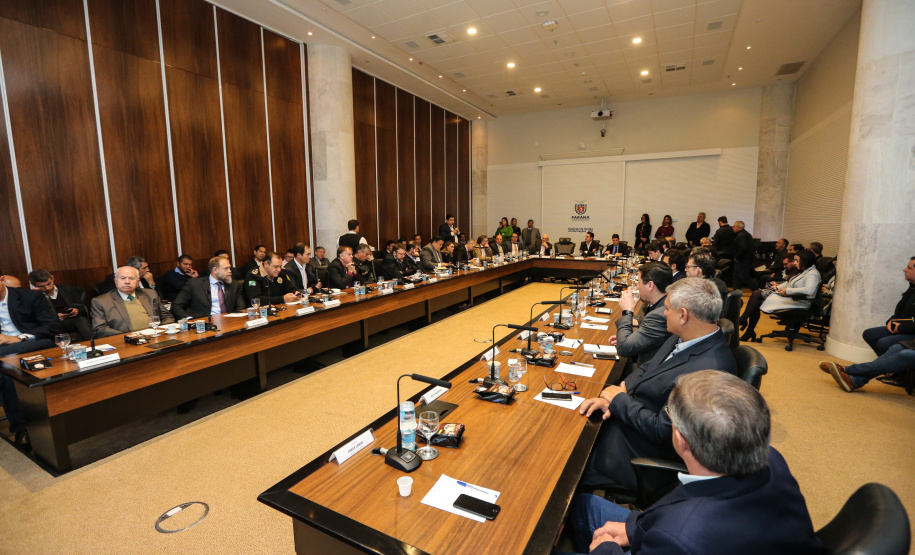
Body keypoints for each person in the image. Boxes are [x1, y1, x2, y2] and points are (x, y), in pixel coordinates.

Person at [565, 371, 826, 555]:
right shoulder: (772, 458)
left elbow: (677, 531)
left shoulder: (679, 536)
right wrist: (632, 529)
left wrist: (606, 550)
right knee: (583, 505)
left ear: (681, 439)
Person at [579, 278, 736, 493]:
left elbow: (664, 430)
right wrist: (613, 395)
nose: (663, 313)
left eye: (667, 309)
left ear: (683, 315)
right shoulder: (686, 336)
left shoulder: (709, 371)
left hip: (639, 451)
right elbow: (648, 368)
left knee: (563, 462)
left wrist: (619, 400)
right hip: (630, 418)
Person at [0, 273, 61, 451]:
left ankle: (21, 428)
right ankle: (21, 428)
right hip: (6, 354)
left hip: (35, 343)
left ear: (2, 280)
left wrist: (16, 338)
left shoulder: (31, 297)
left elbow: (52, 327)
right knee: (6, 374)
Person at [738, 250, 820, 342]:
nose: (794, 262)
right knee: (756, 298)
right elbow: (789, 283)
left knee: (756, 298)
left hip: (800, 302)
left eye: (797, 260)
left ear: (805, 260)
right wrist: (777, 287)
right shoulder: (803, 271)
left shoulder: (813, 274)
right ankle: (747, 326)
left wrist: (787, 291)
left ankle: (744, 321)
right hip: (792, 298)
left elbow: (809, 290)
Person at [610, 262, 673, 367]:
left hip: (648, 371)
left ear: (650, 285)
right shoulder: (663, 305)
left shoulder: (660, 314)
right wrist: (631, 338)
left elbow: (624, 349)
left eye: (638, 283)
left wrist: (627, 311)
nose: (637, 287)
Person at [855, 256, 915, 356]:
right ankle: (892, 367)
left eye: (909, 268)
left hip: (910, 331)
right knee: (869, 334)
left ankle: (891, 367)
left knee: (883, 343)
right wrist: (891, 320)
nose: (904, 270)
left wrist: (901, 328)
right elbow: (901, 311)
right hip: (902, 327)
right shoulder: (912, 287)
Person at [91, 266, 174, 337]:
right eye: (123, 278)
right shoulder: (101, 302)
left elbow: (167, 317)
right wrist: (128, 336)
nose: (127, 282)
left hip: (155, 337)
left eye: (131, 278)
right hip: (125, 341)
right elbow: (99, 329)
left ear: (137, 282)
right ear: (116, 281)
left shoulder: (150, 294)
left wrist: (158, 330)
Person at [172, 256, 247, 319]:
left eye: (229, 268)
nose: (230, 271)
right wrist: (190, 320)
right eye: (226, 268)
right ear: (215, 270)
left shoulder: (234, 285)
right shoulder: (194, 284)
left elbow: (241, 308)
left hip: (229, 323)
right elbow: (176, 305)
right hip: (203, 325)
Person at [28, 269, 92, 341]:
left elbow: (86, 309)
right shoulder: (31, 297)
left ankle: (93, 345)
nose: (47, 288)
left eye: (49, 284)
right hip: (51, 325)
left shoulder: (68, 289)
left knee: (81, 321)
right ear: (33, 284)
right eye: (42, 286)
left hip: (71, 320)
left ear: (52, 278)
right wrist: (54, 317)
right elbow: (31, 318)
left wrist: (77, 311)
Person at [730, 221, 756, 290]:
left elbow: (743, 247)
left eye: (734, 226)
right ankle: (736, 293)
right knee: (736, 276)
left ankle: (757, 291)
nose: (732, 228)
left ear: (738, 227)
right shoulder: (746, 234)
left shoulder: (740, 235)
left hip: (743, 259)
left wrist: (737, 257)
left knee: (743, 276)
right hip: (747, 258)